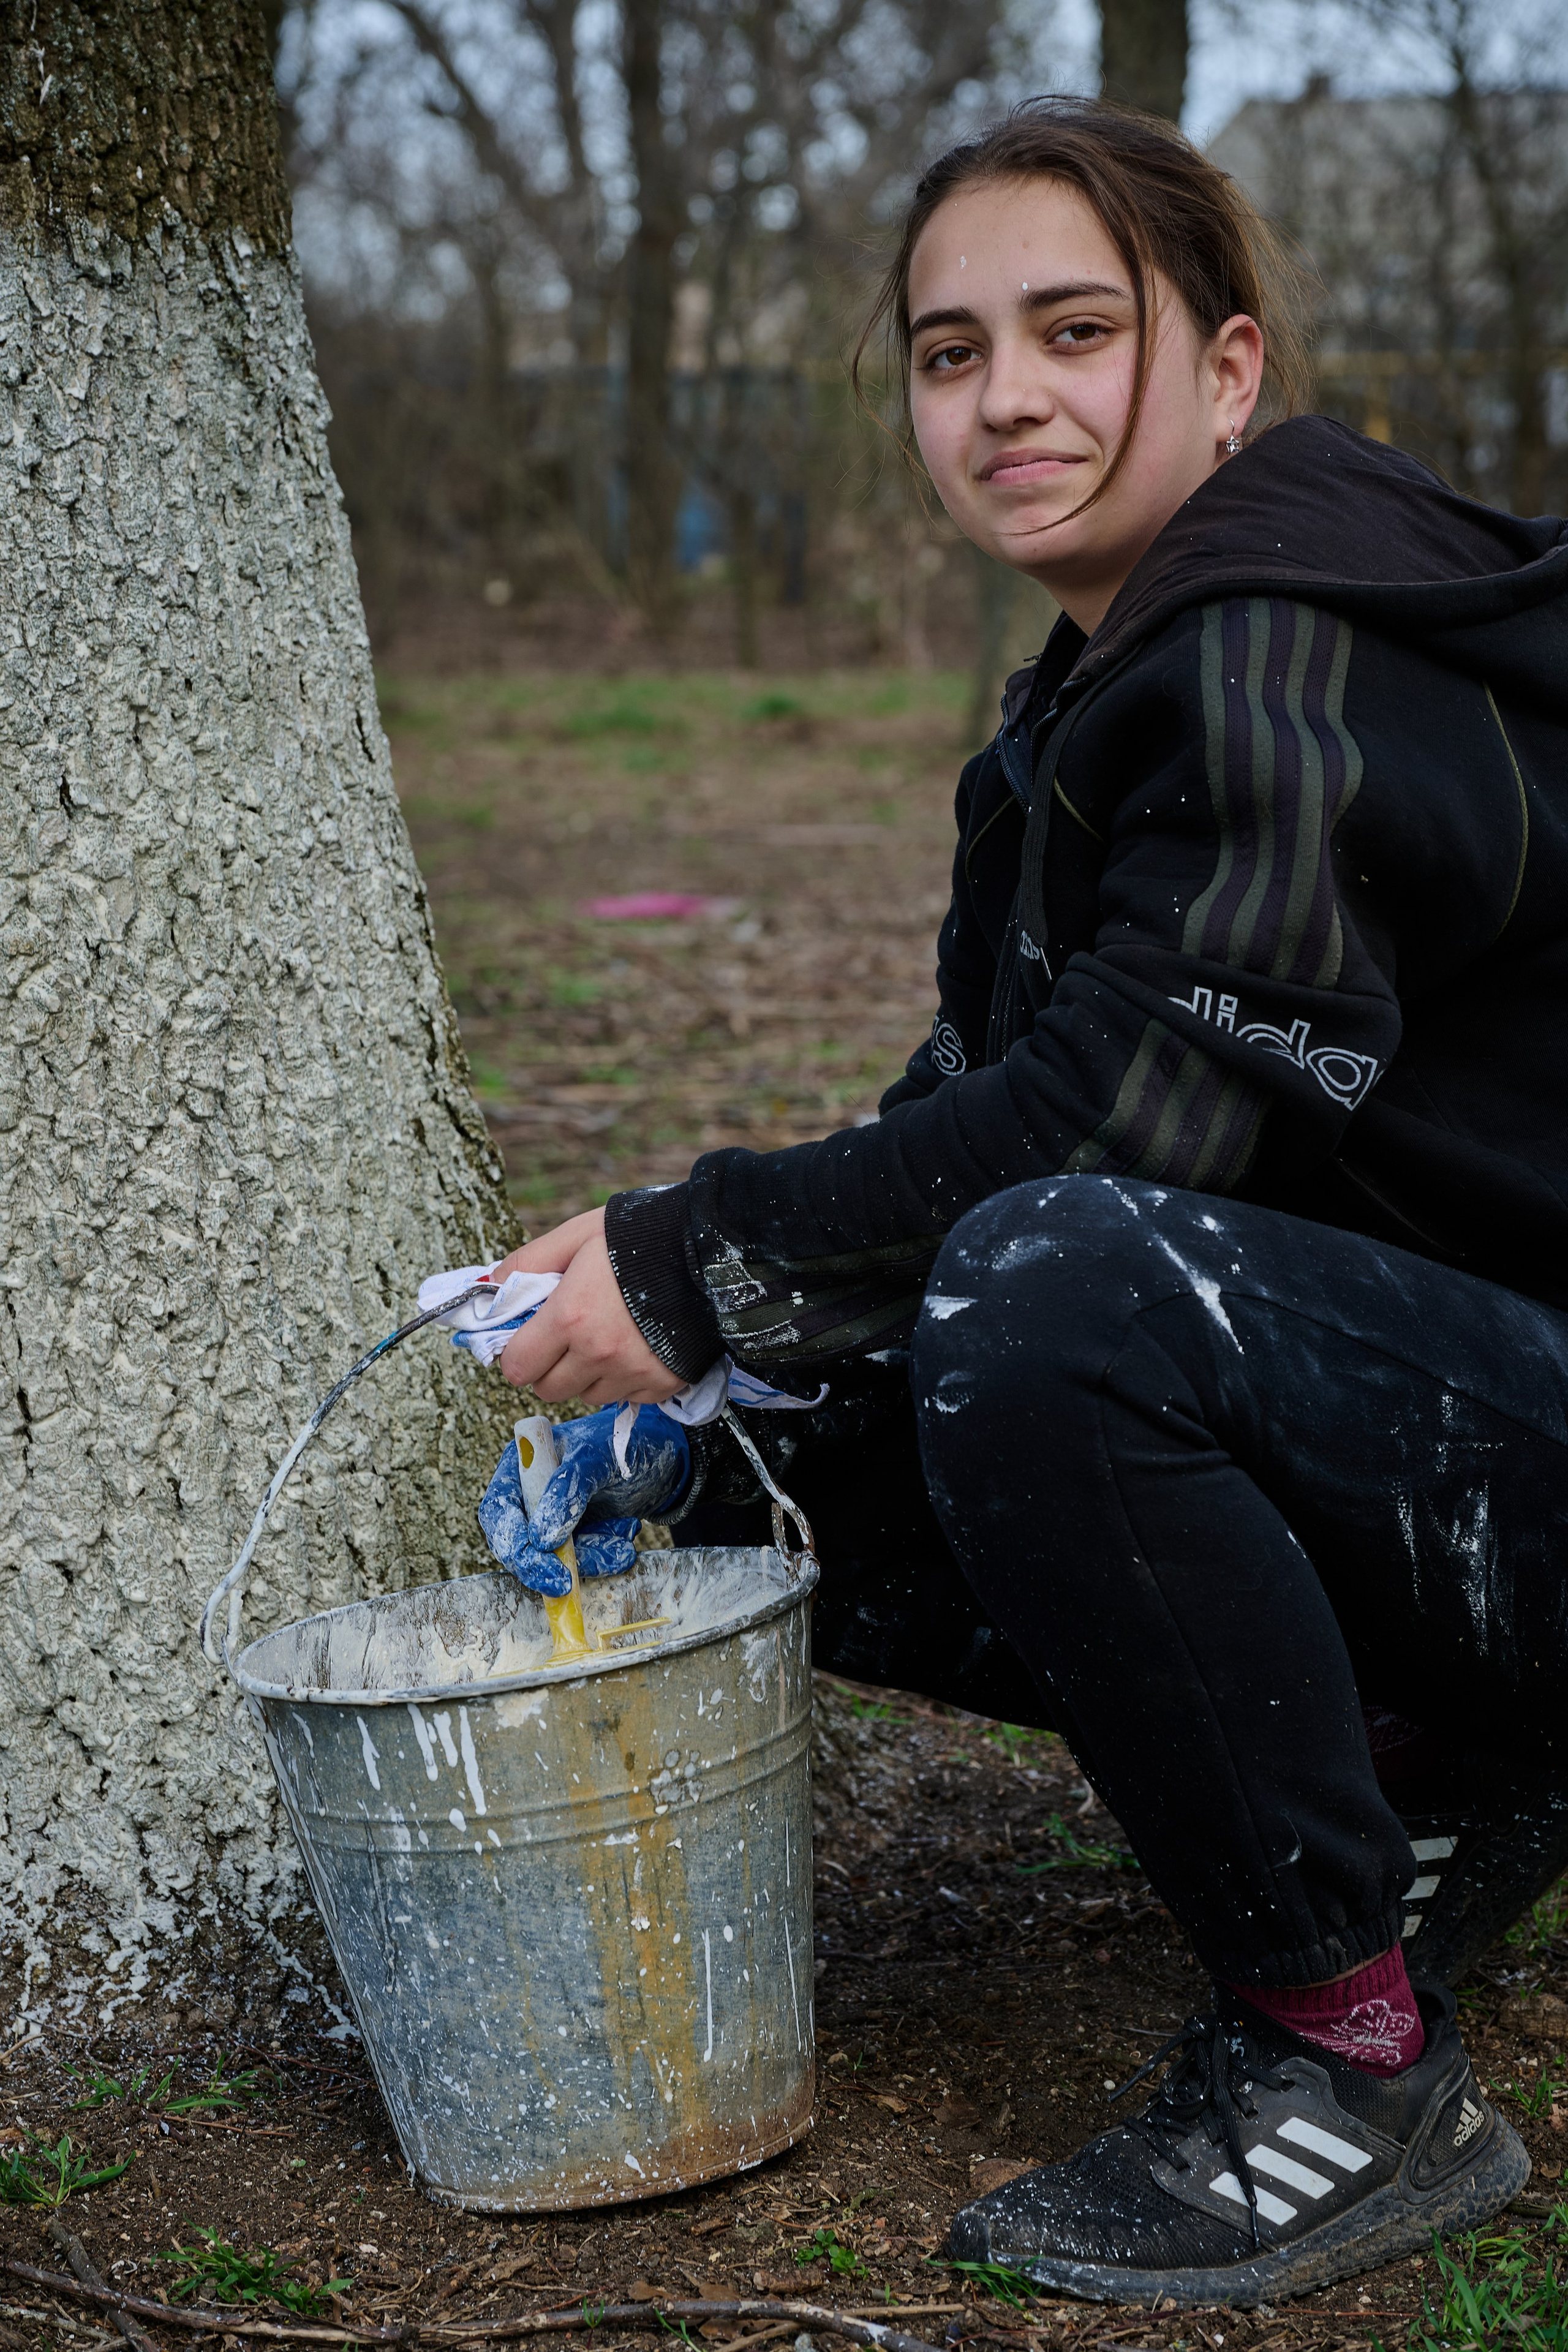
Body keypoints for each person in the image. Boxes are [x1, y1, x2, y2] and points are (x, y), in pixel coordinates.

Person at [470, 99, 1568, 2307]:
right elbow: (974, 1090)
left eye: (1079, 330)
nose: (1011, 400)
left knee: (1046, 1296)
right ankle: (1429, 1761)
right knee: (745, 1459)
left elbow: (1125, 1127)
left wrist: (697, 1254)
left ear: (1230, 367)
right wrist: (725, 1343)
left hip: (1523, 1449)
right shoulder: (1085, 697)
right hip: (1438, 1440)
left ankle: (1350, 2067)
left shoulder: (1289, 641)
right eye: (951, 352)